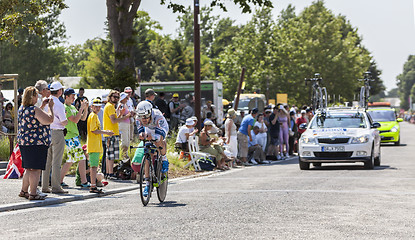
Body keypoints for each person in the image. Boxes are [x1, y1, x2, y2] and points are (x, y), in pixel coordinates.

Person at [17, 86, 54, 200]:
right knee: (36, 169)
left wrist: (42, 106)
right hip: (36, 142)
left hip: (24, 142)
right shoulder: (34, 109)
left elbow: (35, 118)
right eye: (36, 95)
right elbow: (49, 119)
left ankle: (24, 191)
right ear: (32, 97)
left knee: (28, 168)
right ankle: (33, 193)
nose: (37, 97)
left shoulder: (22, 108)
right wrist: (50, 108)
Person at [136, 101, 169, 197]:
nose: (144, 119)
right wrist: (142, 134)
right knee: (147, 156)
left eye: (146, 117)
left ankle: (164, 159)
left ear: (150, 113)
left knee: (159, 141)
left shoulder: (157, 115)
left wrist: (154, 137)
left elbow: (163, 131)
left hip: (160, 128)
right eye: (142, 117)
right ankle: (147, 184)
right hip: (149, 130)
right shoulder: (139, 117)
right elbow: (141, 129)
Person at [42, 81, 68, 194]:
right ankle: (56, 186)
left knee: (47, 161)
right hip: (57, 132)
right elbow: (64, 122)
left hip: (47, 131)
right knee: (56, 161)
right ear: (59, 91)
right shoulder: (59, 104)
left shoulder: (46, 102)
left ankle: (44, 186)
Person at [61, 88, 89, 188]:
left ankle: (59, 180)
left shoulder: (72, 107)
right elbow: (75, 120)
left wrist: (85, 109)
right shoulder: (65, 108)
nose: (74, 98)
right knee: (81, 158)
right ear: (66, 96)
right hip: (70, 136)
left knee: (70, 160)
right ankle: (84, 181)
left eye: (74, 96)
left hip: (73, 136)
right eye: (72, 96)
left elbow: (83, 118)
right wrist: (81, 108)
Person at [87, 98, 114, 194]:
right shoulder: (93, 116)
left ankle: (93, 185)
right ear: (92, 107)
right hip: (94, 145)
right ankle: (93, 186)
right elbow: (93, 130)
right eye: (96, 106)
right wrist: (106, 132)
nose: (98, 108)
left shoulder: (95, 116)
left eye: (99, 106)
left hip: (95, 145)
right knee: (94, 167)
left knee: (95, 166)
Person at [103, 90, 131, 179]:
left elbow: (114, 120)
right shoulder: (110, 107)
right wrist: (125, 117)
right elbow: (113, 121)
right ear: (110, 97)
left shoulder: (110, 106)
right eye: (114, 97)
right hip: (111, 133)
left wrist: (120, 115)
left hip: (110, 133)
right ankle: (110, 174)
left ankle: (108, 173)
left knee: (109, 155)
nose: (116, 99)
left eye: (117, 97)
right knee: (111, 155)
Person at [117, 92, 131, 160]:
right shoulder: (121, 105)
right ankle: (124, 156)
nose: (127, 99)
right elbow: (121, 116)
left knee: (127, 140)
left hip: (126, 124)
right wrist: (129, 115)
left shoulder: (125, 105)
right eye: (126, 98)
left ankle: (125, 155)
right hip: (123, 124)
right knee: (125, 141)